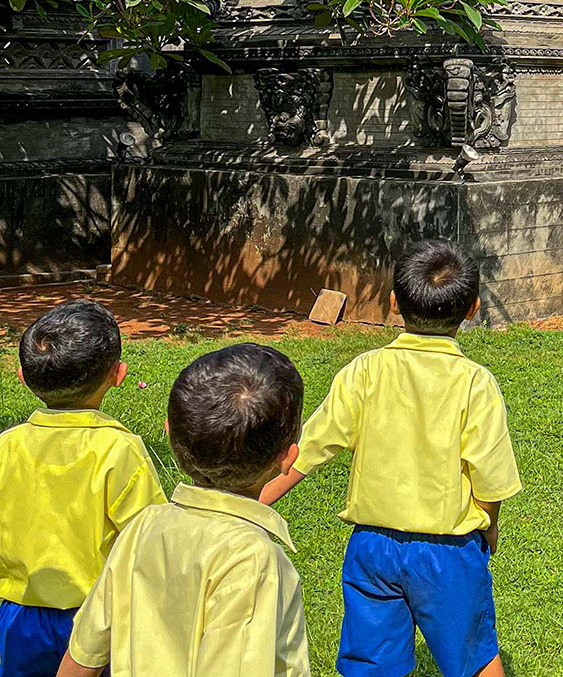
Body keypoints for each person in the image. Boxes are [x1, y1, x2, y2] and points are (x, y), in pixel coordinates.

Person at [261, 239, 522, 677]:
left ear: (393, 302)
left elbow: (306, 450)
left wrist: (251, 502)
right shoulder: (476, 384)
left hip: (372, 549)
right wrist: (489, 527)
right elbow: (489, 477)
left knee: (371, 666)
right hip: (450, 552)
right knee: (474, 658)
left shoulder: (363, 371)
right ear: (474, 308)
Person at [56, 344, 311, 677]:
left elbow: (82, 657)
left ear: (170, 433)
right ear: (288, 457)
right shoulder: (254, 559)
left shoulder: (143, 525)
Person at [0, 301, 166, 677]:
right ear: (118, 374)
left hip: (14, 619)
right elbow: (151, 542)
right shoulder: (120, 450)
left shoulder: (5, 447)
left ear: (23, 377)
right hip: (99, 619)